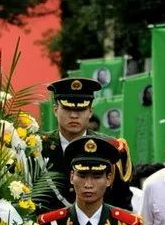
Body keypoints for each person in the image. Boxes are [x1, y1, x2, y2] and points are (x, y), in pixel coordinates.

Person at [39, 78, 133, 211]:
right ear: (55, 110)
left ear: (90, 112)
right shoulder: (37, 147)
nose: (74, 115)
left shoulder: (112, 148)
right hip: (48, 223)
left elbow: (122, 203)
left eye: (81, 109)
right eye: (67, 108)